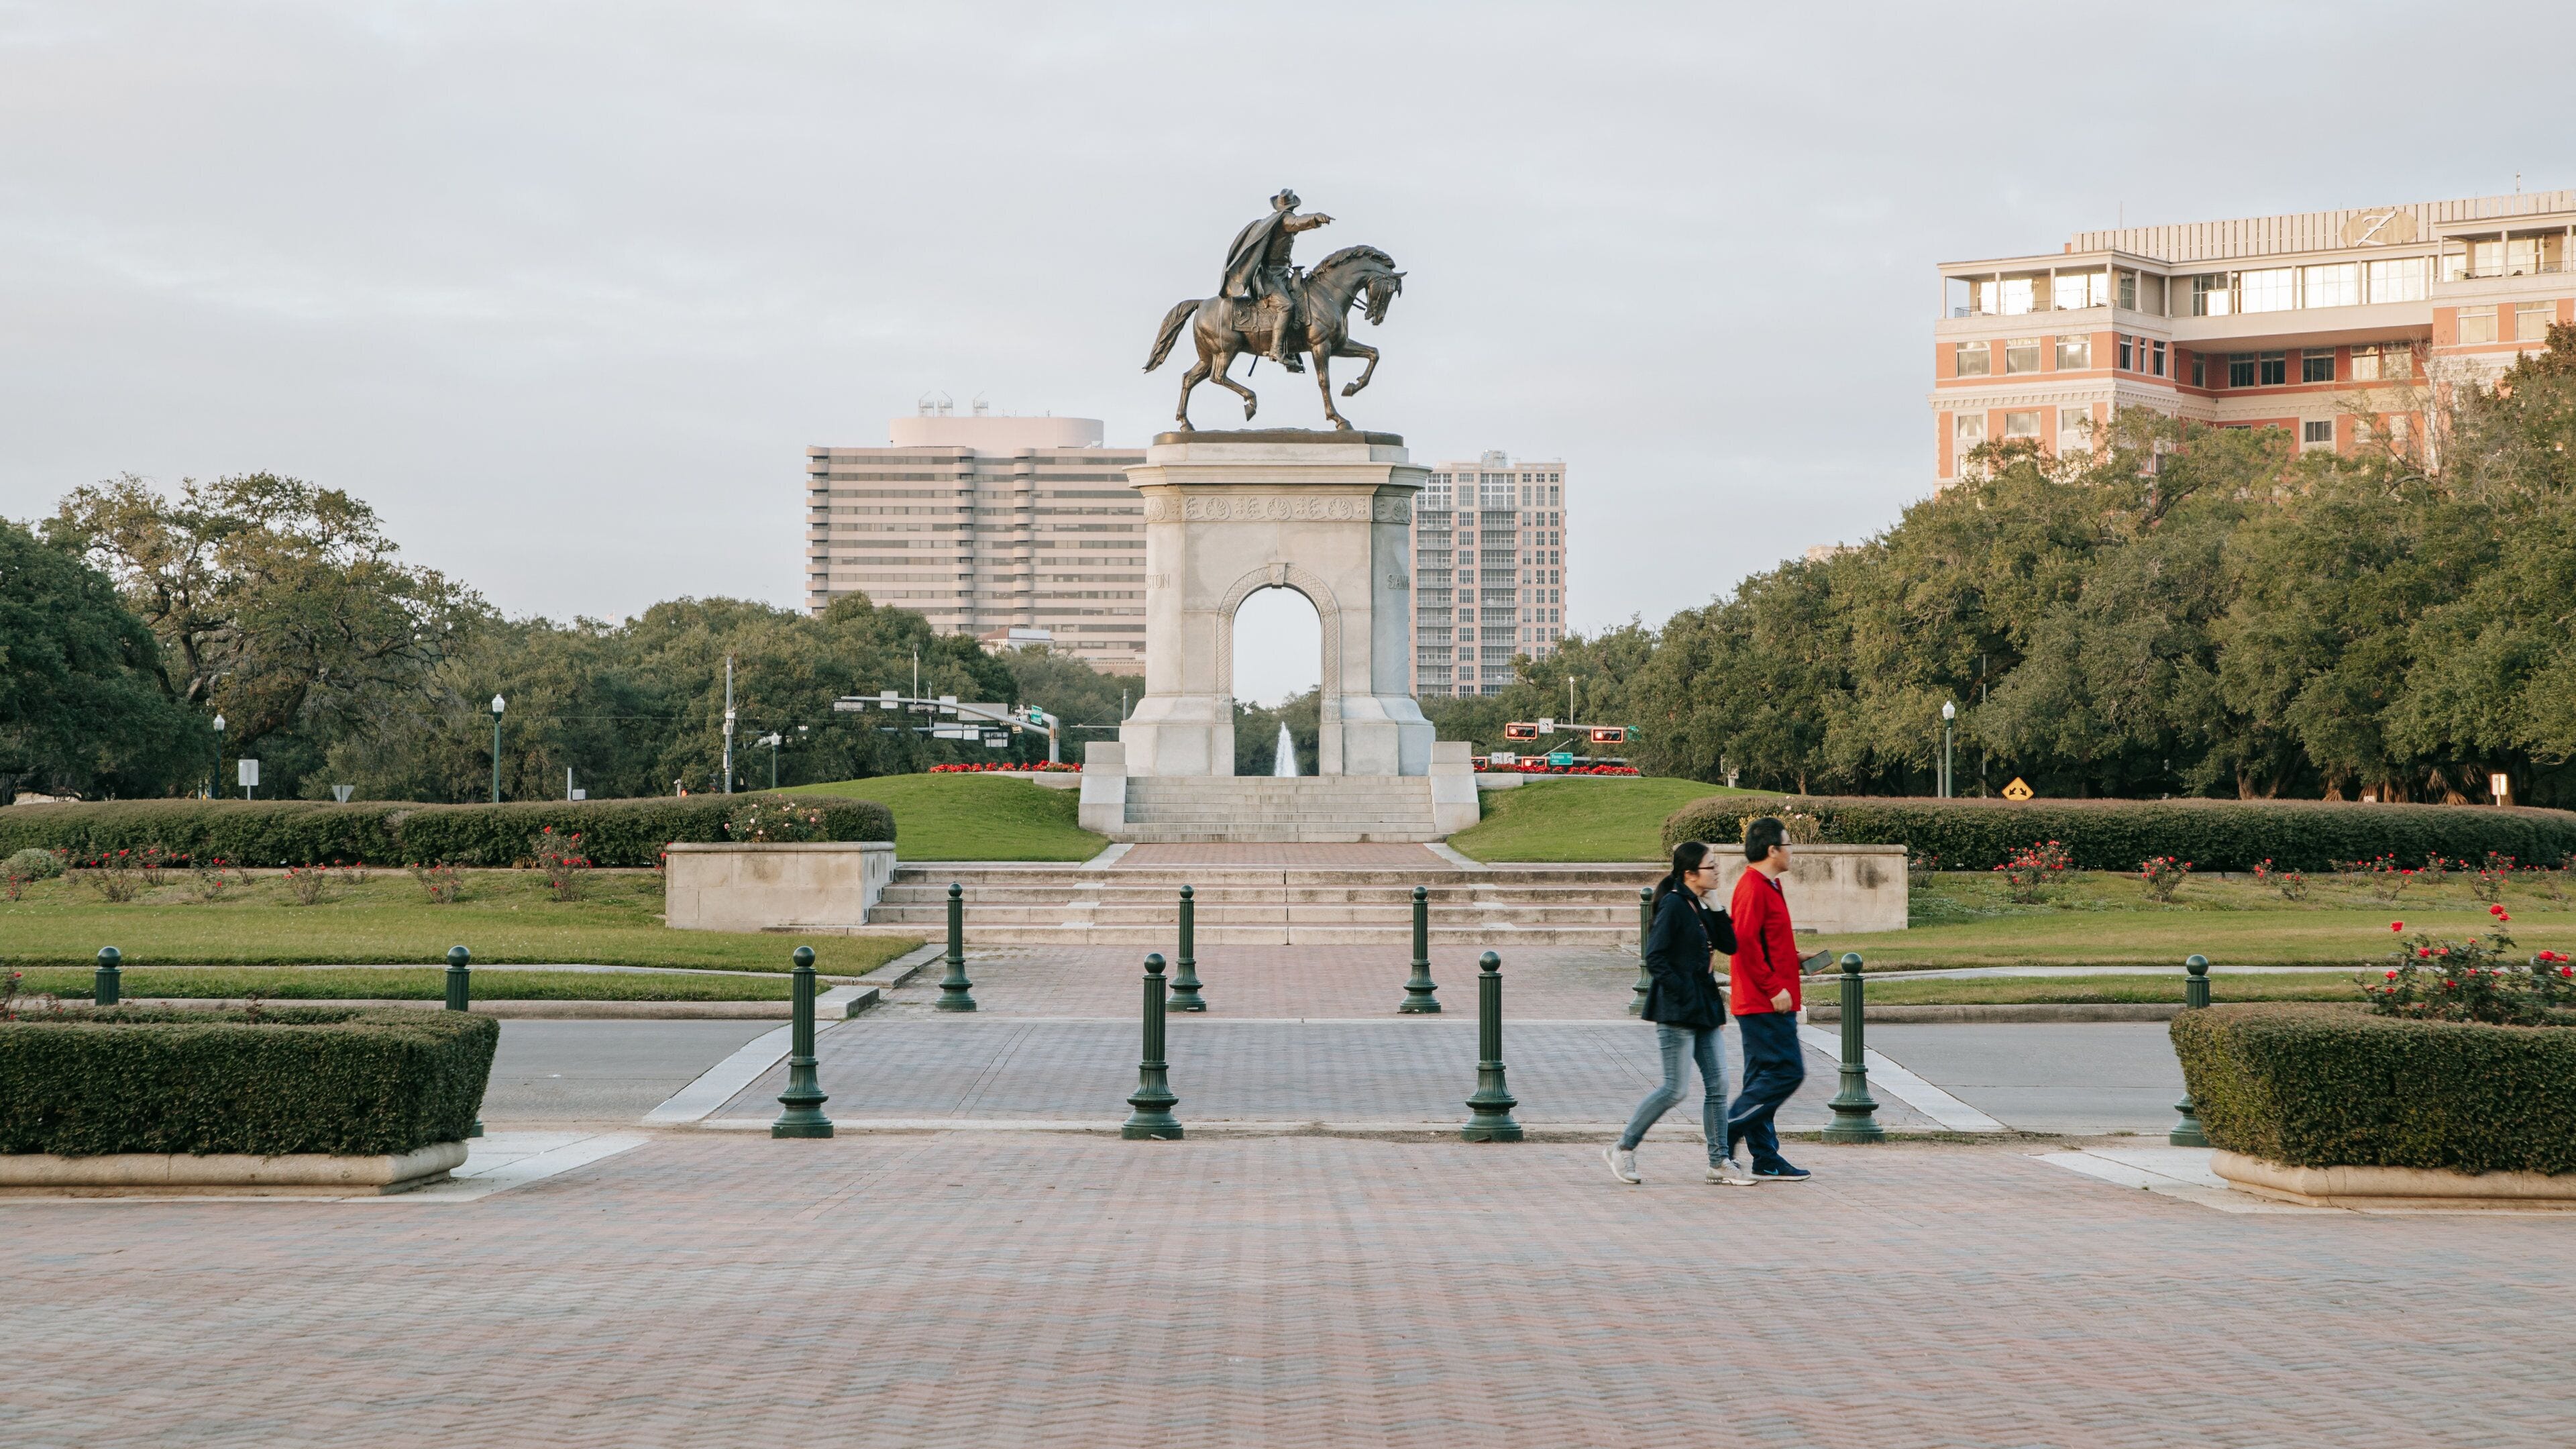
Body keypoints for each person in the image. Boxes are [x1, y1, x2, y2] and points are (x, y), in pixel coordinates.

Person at [1605, 841, 1754, 1185]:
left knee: (1718, 1085)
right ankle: (1623, 1148)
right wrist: (1686, 992)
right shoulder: (1674, 905)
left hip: (1703, 1010)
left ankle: (1718, 1162)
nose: (1717, 871)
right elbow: (1655, 958)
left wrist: (1715, 904)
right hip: (1676, 1011)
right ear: (1690, 873)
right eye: (1710, 867)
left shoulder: (1698, 904)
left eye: (1716, 865)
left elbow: (1730, 945)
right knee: (1675, 1089)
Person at [1723, 816, 1811, 1182]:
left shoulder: (1769, 885)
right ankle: (1727, 1127)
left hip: (1770, 998)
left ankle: (1766, 1158)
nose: (1792, 851)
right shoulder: (1754, 887)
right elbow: (1742, 946)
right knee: (1788, 1072)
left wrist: (1793, 960)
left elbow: (1765, 941)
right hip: (1764, 1003)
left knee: (1761, 1079)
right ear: (1772, 850)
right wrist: (1774, 988)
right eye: (1788, 845)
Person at [1220, 189, 1332, 370]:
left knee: (1301, 300)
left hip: (1281, 274)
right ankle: (1276, 350)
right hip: (1269, 278)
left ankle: (1292, 349)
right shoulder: (1284, 220)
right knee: (1286, 306)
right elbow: (1298, 222)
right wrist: (1316, 218)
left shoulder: (1274, 221)